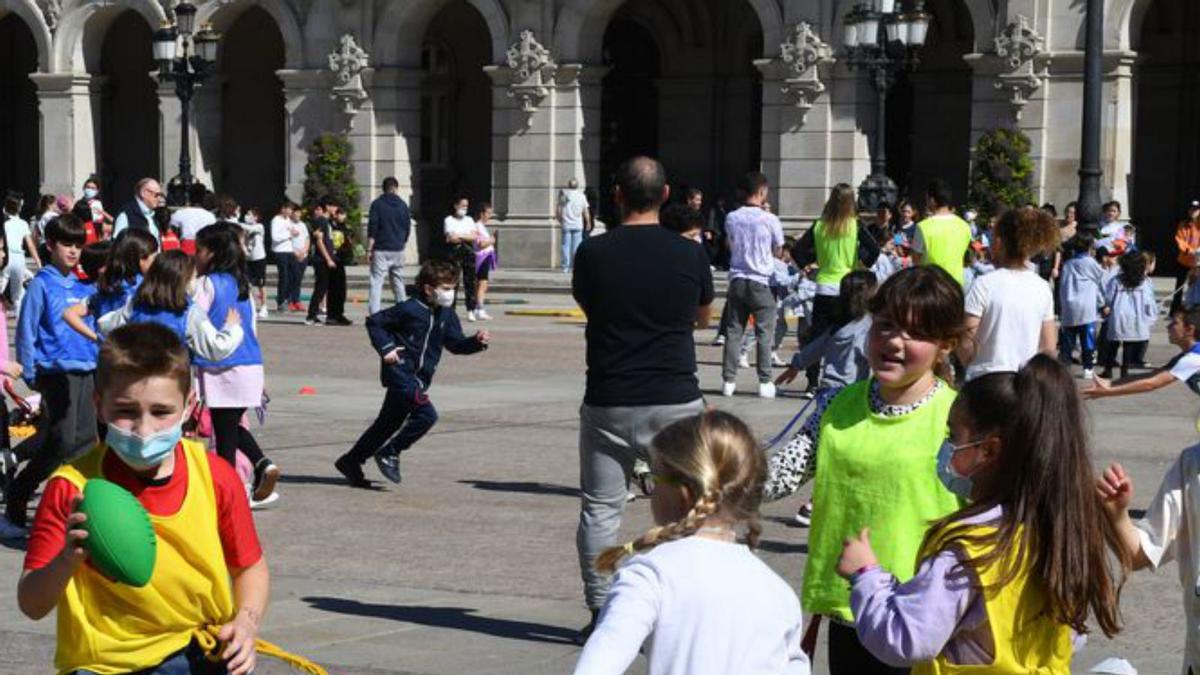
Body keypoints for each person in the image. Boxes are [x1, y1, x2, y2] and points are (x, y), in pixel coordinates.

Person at [840, 356, 1130, 672]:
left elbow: (906, 638)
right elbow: (1072, 639)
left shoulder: (969, 549)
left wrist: (867, 577)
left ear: (989, 450)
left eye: (953, 436)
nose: (946, 447)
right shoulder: (1060, 534)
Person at [16, 323, 270, 675]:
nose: (144, 429)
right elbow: (31, 603)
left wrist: (246, 622)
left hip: (200, 652)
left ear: (188, 406)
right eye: (126, 411)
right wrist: (65, 562)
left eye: (161, 412)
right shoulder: (71, 487)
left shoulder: (214, 476)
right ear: (98, 405)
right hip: (104, 664)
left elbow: (249, 567)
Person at [762, 266, 966, 674]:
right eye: (885, 326)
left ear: (946, 345)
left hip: (925, 615)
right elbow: (781, 474)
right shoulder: (837, 406)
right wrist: (710, 472)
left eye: (916, 333)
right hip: (849, 604)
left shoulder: (958, 419)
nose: (894, 341)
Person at [570, 156, 713, 640]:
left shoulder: (593, 253)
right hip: (674, 396)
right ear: (666, 195)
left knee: (601, 507)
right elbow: (703, 318)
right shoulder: (690, 253)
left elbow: (589, 305)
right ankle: (685, 607)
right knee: (691, 505)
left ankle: (601, 610)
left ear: (616, 196)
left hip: (610, 395)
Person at [575, 412, 811, 675]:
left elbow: (599, 663)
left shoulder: (650, 575)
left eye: (654, 480)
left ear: (682, 492)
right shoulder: (778, 592)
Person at [335, 259, 489, 487]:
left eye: (453, 288)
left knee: (387, 424)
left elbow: (456, 344)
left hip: (419, 379)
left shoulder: (446, 315)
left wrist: (475, 342)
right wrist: (386, 348)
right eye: (445, 289)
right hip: (400, 375)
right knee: (427, 415)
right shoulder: (410, 309)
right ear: (428, 288)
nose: (450, 293)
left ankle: (351, 460)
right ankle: (390, 452)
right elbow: (375, 323)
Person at [2, 215, 98, 535]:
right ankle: (18, 495)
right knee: (62, 440)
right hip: (55, 372)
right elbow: (26, 331)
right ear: (51, 245)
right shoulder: (41, 284)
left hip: (88, 370)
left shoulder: (85, 285)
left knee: (84, 443)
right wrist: (29, 371)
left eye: (78, 245)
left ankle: (77, 512)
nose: (73, 251)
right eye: (66, 244)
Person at [193, 224, 280, 503]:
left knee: (225, 439)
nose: (196, 255)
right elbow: (252, 327)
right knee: (228, 427)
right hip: (250, 364)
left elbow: (193, 322)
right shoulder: (243, 286)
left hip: (223, 367)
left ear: (213, 253)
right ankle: (261, 464)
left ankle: (229, 494)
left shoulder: (207, 284)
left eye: (200, 250)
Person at [790, 184, 881, 397]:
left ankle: (811, 382)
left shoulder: (819, 226)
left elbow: (797, 251)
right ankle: (846, 376)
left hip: (824, 285)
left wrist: (810, 262)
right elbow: (874, 249)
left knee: (818, 335)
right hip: (848, 288)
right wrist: (861, 263)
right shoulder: (855, 225)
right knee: (847, 336)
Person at [958, 207, 1058, 381]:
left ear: (998, 242)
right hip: (1025, 382)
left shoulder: (984, 284)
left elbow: (967, 340)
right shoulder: (1042, 287)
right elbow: (1048, 346)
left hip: (985, 380)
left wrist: (970, 363)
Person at [92, 251, 244, 361]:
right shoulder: (189, 312)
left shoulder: (136, 304)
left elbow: (105, 326)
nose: (195, 281)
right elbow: (216, 348)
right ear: (183, 280)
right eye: (193, 277)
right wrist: (231, 328)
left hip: (135, 379)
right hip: (171, 384)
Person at [721, 172, 785, 399]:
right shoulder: (770, 219)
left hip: (737, 278)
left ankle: (728, 380)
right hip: (761, 280)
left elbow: (730, 244)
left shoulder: (731, 217)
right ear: (761, 192)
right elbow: (779, 249)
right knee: (764, 332)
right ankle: (764, 381)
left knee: (733, 331)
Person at [1084, 307, 1200, 400]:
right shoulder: (1187, 356)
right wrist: (1110, 384)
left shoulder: (1193, 359)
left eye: (1174, 323)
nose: (1168, 327)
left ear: (1189, 330)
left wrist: (1109, 392)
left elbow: (1151, 384)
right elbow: (1151, 376)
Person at [63, 228, 159, 338]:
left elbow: (68, 313)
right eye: (154, 257)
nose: (157, 262)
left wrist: (96, 338)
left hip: (109, 350)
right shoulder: (142, 288)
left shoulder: (109, 286)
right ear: (140, 258)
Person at [1100, 251, 1158, 380]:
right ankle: (1124, 371)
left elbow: (1109, 297)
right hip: (1135, 315)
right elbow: (1149, 301)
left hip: (1118, 314)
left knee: (1113, 344)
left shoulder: (1116, 280)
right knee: (1129, 344)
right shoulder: (1145, 282)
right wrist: (1151, 315)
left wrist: (1106, 307)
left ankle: (1108, 369)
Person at [1058, 232, 1107, 378]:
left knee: (1068, 339)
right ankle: (1088, 367)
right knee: (1087, 339)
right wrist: (1102, 303)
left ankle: (1064, 367)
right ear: (1090, 247)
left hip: (1069, 306)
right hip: (1086, 307)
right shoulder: (1090, 263)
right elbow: (1101, 279)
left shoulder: (1068, 264)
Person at [911, 179, 972, 285]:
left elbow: (915, 260)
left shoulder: (923, 227)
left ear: (932, 200)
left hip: (930, 287)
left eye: (927, 198)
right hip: (955, 286)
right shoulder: (965, 226)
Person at [367, 176, 412, 314]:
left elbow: (373, 227)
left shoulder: (377, 204)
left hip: (381, 247)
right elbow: (407, 226)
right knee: (398, 279)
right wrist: (402, 242)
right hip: (398, 248)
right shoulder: (403, 205)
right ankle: (402, 307)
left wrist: (369, 249)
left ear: (383, 188)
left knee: (377, 280)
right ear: (396, 188)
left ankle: (374, 311)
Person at [3, 193, 41, 319]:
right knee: (17, 296)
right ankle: (20, 329)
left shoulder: (4, 223)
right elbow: (30, 245)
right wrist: (38, 263)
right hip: (19, 259)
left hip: (5, 258)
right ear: (19, 208)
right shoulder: (23, 224)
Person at [444, 196, 480, 319]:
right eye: (463, 205)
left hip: (468, 252)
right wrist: (466, 235)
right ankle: (451, 310)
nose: (465, 208)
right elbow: (450, 238)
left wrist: (459, 236)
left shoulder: (469, 220)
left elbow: (474, 236)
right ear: (456, 205)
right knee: (454, 281)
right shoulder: (449, 220)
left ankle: (471, 309)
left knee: (470, 281)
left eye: (466, 206)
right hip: (454, 252)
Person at [306, 198, 337, 326]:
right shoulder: (322, 221)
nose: (336, 209)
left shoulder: (327, 222)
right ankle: (311, 315)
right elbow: (319, 241)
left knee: (323, 288)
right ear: (328, 206)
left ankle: (315, 313)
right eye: (334, 206)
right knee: (320, 287)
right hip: (321, 259)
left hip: (325, 258)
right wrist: (328, 259)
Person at [323, 203, 353, 326]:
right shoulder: (329, 224)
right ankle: (331, 315)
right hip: (331, 259)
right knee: (333, 288)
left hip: (341, 260)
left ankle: (339, 314)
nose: (342, 216)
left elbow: (348, 242)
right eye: (339, 213)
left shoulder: (345, 227)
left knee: (341, 289)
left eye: (343, 214)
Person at [269, 201, 299, 313]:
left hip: (289, 250)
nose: (290, 212)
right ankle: (281, 301)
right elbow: (275, 237)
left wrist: (294, 232)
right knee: (284, 276)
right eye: (289, 209)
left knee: (296, 274)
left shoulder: (288, 220)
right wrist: (289, 235)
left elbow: (292, 231)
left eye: (292, 210)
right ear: (283, 209)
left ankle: (288, 298)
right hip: (280, 251)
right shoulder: (276, 220)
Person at [171, 183, 217, 256]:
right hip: (204, 252)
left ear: (188, 196)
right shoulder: (211, 217)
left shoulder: (179, 213)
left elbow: (173, 233)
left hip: (185, 252)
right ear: (204, 197)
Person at [239, 206, 269, 318]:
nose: (247, 216)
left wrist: (235, 223)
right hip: (248, 258)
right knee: (248, 283)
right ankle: (251, 306)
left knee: (261, 283)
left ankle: (264, 306)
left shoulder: (259, 226)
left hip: (259, 258)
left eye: (250, 214)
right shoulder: (244, 229)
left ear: (256, 217)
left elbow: (250, 229)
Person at [558, 178, 591, 273]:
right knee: (576, 246)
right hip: (577, 224)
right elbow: (585, 211)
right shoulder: (581, 196)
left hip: (566, 224)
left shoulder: (565, 195)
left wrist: (560, 220)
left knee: (565, 246)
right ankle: (575, 266)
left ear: (568, 185)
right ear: (577, 186)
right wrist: (588, 222)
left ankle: (565, 267)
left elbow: (559, 210)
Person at [1173, 200, 1200, 314]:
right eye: (1192, 209)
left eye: (1196, 209)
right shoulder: (1183, 224)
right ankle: (1174, 311)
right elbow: (1179, 239)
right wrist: (1189, 250)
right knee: (1179, 286)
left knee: (1196, 287)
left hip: (1198, 261)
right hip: (1184, 260)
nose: (1193, 211)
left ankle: (1195, 310)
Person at [473, 202, 497, 321]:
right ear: (481, 214)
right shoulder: (477, 226)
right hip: (481, 257)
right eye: (488, 213)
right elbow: (480, 244)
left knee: (482, 284)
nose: (489, 216)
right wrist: (491, 240)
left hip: (485, 257)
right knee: (482, 284)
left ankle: (477, 308)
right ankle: (480, 309)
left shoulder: (481, 226)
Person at [288, 206, 309, 312]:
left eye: (299, 213)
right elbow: (288, 241)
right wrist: (295, 253)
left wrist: (304, 251)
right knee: (293, 278)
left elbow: (307, 239)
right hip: (293, 255)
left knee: (299, 279)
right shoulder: (288, 225)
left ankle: (297, 300)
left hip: (303, 256)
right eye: (295, 213)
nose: (297, 215)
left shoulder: (303, 225)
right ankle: (290, 301)